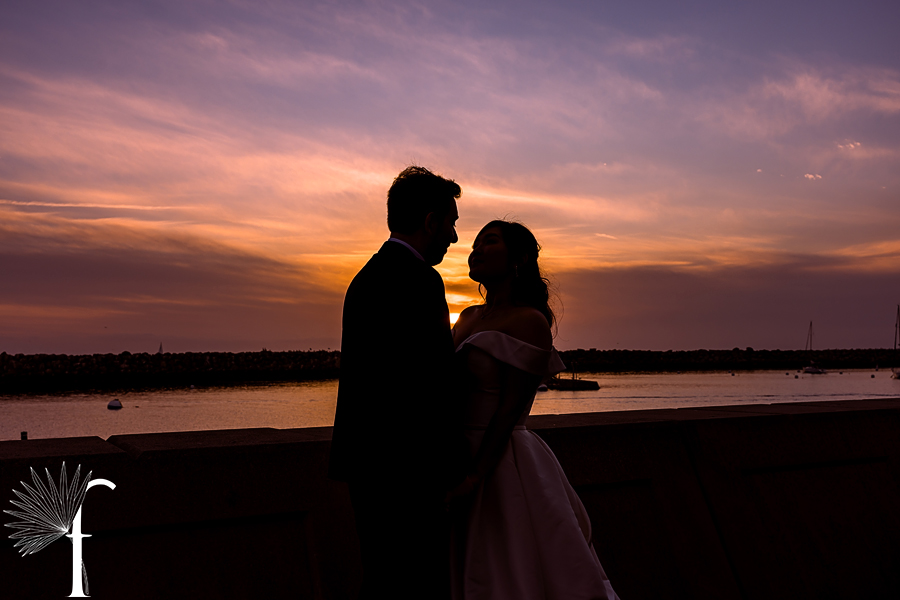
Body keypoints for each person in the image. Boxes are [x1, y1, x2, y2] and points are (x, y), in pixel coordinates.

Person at [448, 220, 620, 599]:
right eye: (474, 243)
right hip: (458, 452)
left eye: (488, 242)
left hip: (499, 459)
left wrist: (475, 477)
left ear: (519, 259)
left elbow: (510, 410)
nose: (474, 249)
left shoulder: (530, 321)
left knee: (508, 568)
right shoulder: (466, 316)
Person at [329, 165, 465, 599]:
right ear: (430, 221)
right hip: (409, 470)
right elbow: (432, 383)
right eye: (451, 223)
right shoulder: (422, 281)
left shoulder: (364, 278)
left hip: (365, 463)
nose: (454, 237)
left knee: (383, 576)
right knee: (418, 580)